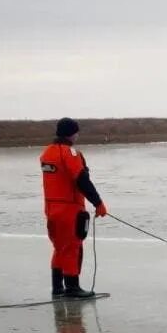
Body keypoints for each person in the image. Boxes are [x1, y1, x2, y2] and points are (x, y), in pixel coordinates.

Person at [40, 118, 108, 298]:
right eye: (76, 132)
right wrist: (98, 203)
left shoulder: (47, 153)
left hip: (51, 209)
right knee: (72, 247)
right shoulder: (69, 154)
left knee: (59, 247)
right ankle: (72, 287)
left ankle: (57, 287)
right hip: (69, 209)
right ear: (72, 133)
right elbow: (81, 180)